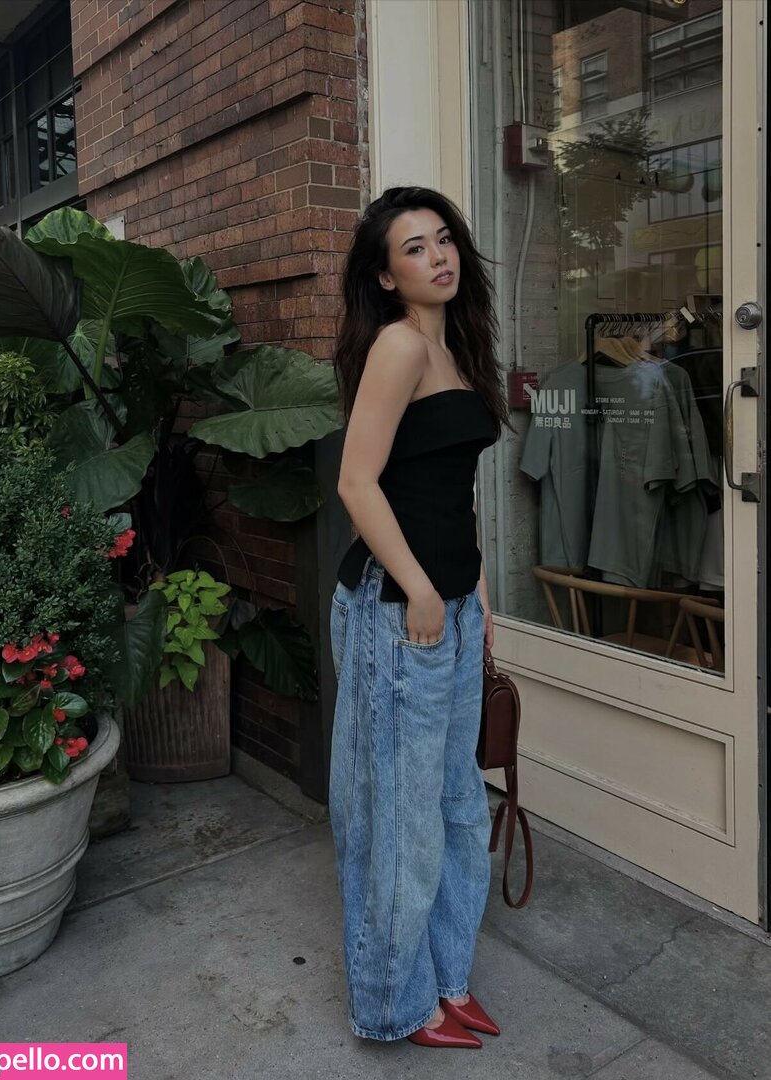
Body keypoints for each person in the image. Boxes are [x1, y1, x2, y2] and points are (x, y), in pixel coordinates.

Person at [328, 185, 509, 1048]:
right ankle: (395, 1004)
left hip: (453, 607)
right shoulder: (399, 346)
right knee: (401, 817)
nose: (438, 256)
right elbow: (356, 483)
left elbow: (450, 490)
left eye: (444, 239)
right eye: (414, 247)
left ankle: (447, 976)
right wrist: (425, 591)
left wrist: (478, 593)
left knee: (459, 806)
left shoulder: (459, 347)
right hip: (400, 612)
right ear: (385, 275)